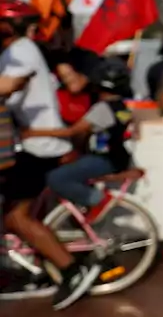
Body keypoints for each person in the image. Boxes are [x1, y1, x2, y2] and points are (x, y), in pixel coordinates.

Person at [0, 0, 101, 309]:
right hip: (28, 144)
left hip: (39, 148)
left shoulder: (21, 51)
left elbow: (6, 86)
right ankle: (36, 267)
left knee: (16, 218)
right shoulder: (13, 51)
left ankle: (73, 269)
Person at [26, 58, 138, 217]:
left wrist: (33, 133)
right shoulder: (122, 106)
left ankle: (97, 200)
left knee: (56, 178)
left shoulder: (102, 108)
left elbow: (72, 131)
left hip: (104, 160)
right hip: (117, 158)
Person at [52, 53, 93, 126]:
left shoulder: (93, 93)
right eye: (64, 77)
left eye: (70, 74)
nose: (69, 79)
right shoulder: (59, 96)